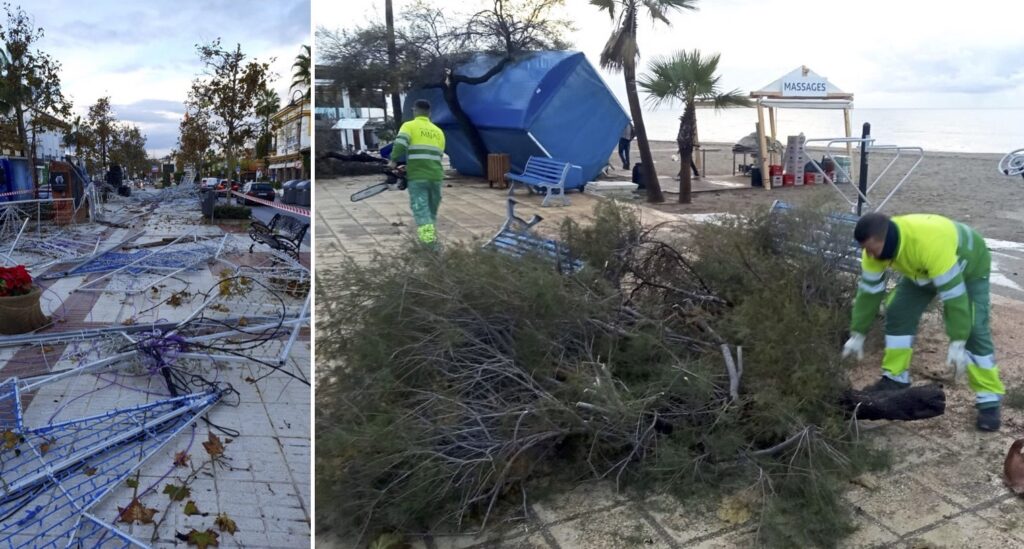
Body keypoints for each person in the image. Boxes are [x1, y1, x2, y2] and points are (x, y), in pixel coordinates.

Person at [841, 212, 1005, 431]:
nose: (868, 254)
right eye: (865, 249)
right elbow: (869, 292)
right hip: (922, 272)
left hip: (969, 267)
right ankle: (896, 378)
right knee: (899, 311)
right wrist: (858, 332)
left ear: (885, 239)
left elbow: (954, 297)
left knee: (974, 329)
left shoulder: (929, 243)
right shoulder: (875, 252)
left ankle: (989, 399)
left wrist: (957, 340)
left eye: (871, 249)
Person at [388, 99, 446, 246]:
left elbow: (400, 144)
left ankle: (431, 248)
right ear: (429, 113)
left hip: (418, 178)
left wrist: (393, 161)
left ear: (414, 110)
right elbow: (434, 157)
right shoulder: (438, 132)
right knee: (431, 214)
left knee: (422, 213)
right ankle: (431, 242)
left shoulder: (409, 126)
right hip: (435, 177)